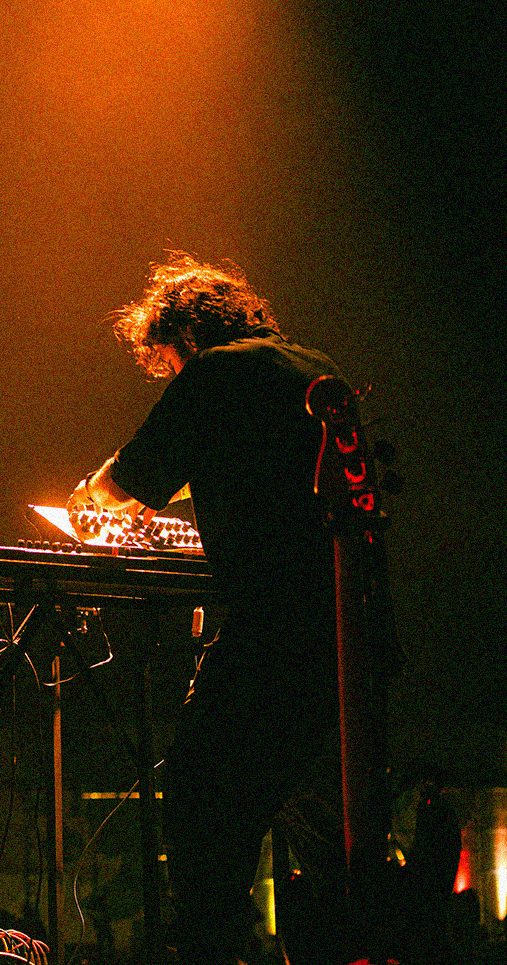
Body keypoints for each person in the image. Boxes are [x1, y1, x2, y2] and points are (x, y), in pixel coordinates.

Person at [67, 254, 347, 965]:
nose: (169, 374)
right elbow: (250, 460)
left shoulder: (214, 373)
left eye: (166, 362)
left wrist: (91, 492)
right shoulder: (308, 366)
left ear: (185, 337)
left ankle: (217, 948)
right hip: (353, 625)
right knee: (316, 813)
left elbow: (135, 475)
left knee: (198, 790)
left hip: (275, 626)